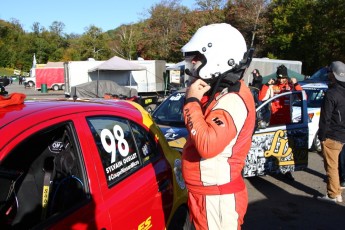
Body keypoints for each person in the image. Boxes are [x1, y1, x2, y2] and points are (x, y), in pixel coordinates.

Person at [181, 23, 255, 229]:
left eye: (197, 57)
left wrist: (192, 101)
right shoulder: (222, 92)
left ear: (217, 56)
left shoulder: (232, 99)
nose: (193, 64)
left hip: (217, 198)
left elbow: (207, 145)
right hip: (207, 194)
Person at [318, 61, 345, 203]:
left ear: (333, 75)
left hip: (332, 135)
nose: (328, 74)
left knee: (331, 167)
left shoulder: (331, 93)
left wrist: (321, 136)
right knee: (336, 165)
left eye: (329, 72)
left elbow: (325, 118)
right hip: (342, 135)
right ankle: (337, 192)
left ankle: (333, 195)